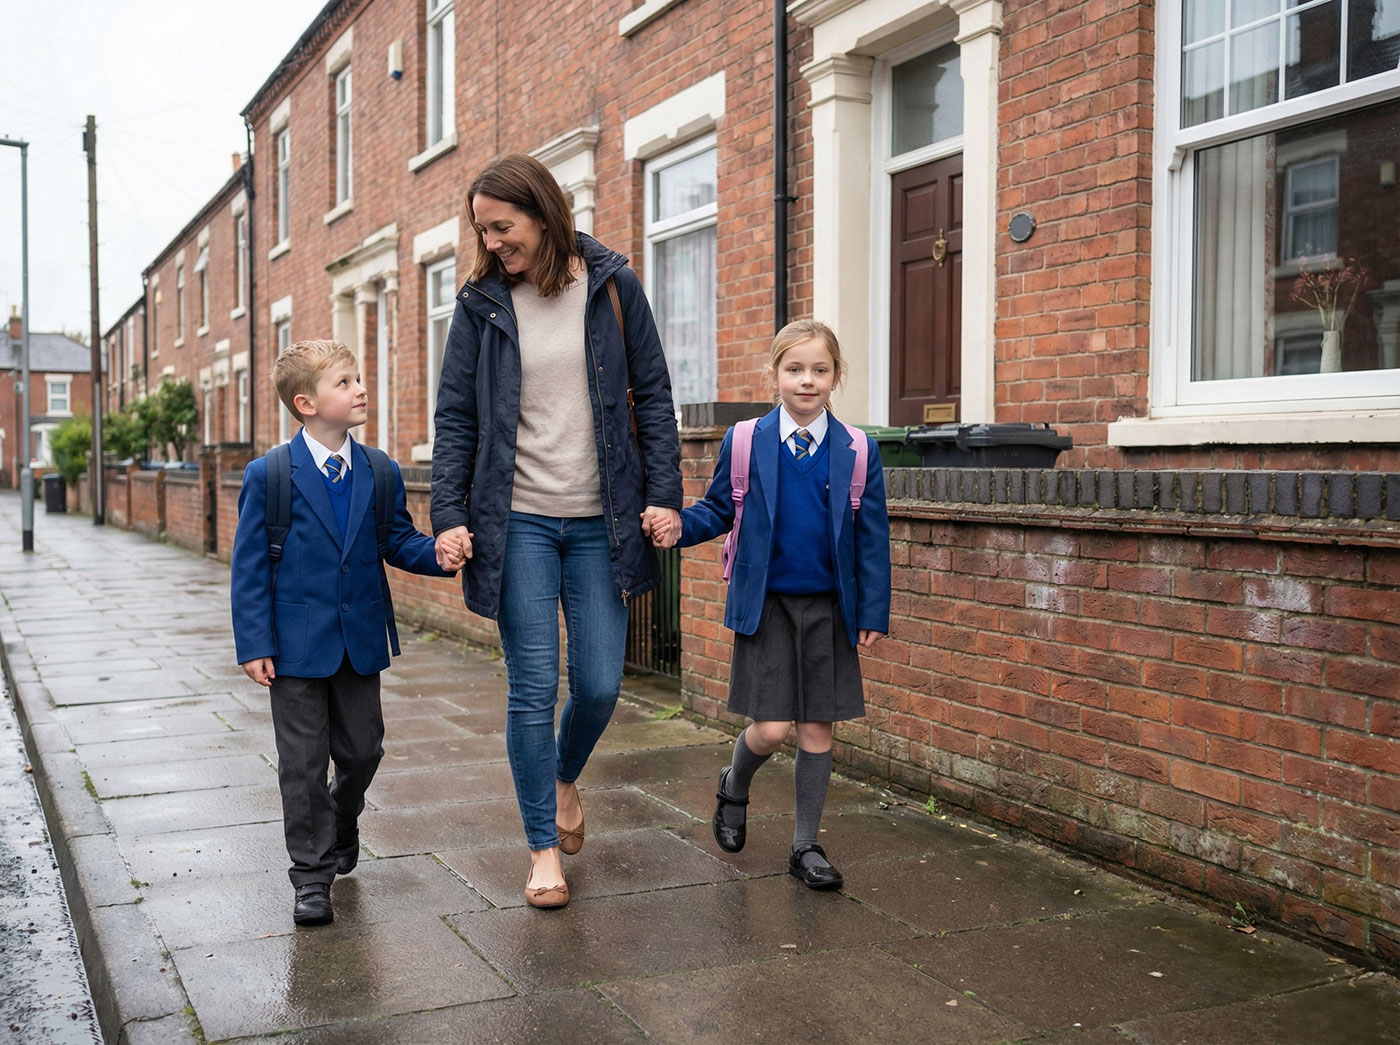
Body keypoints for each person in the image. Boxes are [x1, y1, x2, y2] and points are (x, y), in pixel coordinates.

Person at [430, 153, 682, 909]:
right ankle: (543, 847)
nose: (493, 240)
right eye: (483, 228)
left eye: (502, 226)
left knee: (601, 684)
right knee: (532, 687)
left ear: (543, 214)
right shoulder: (480, 304)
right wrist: (448, 513)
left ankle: (563, 776)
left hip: (601, 522)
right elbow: (457, 418)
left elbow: (655, 391)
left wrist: (664, 497)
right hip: (521, 523)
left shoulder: (611, 287)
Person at [651, 319, 890, 890]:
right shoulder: (745, 441)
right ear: (775, 374)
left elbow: (871, 539)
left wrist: (873, 612)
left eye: (820, 370)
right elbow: (717, 510)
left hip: (830, 609)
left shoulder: (857, 450)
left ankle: (805, 846)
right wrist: (678, 526)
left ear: (835, 378)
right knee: (772, 728)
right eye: (795, 369)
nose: (807, 381)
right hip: (767, 605)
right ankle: (735, 783)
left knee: (817, 730)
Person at [231, 339, 451, 926]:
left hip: (359, 642)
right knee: (300, 763)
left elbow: (396, 540)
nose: (360, 389)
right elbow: (250, 566)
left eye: (358, 379)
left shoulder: (379, 469)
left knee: (362, 751)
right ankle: (311, 876)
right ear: (306, 403)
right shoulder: (270, 475)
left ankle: (341, 814)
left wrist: (441, 554)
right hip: (294, 646)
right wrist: (254, 644)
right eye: (346, 382)